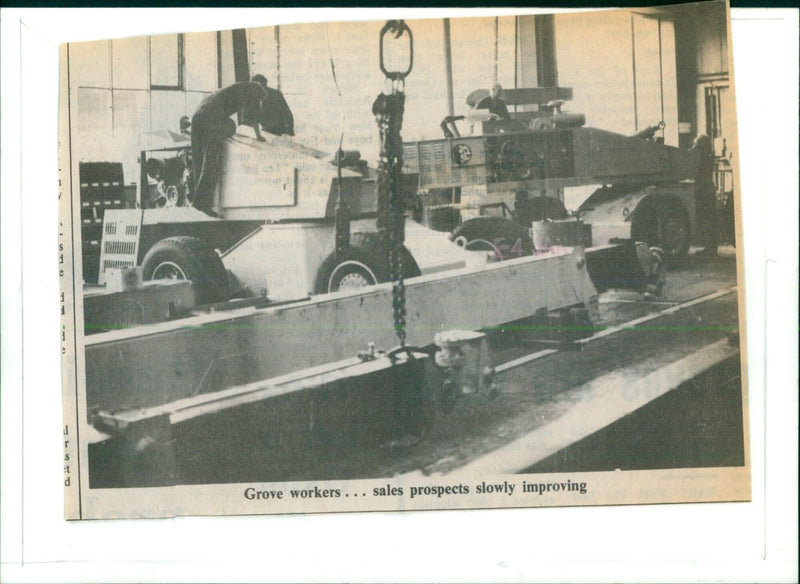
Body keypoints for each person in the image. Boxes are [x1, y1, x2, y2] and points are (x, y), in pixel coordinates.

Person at [190, 80, 267, 213]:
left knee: (198, 159)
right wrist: (258, 136)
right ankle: (202, 204)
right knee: (212, 158)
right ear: (258, 94)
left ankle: (195, 198)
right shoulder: (252, 92)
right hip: (210, 116)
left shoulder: (240, 86)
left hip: (198, 114)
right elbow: (254, 117)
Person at [692, 134, 718, 256]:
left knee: (707, 219)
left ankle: (711, 249)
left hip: (705, 190)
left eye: (696, 145)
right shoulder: (708, 155)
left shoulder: (704, 157)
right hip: (707, 188)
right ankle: (711, 248)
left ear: (702, 146)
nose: (694, 148)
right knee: (708, 219)